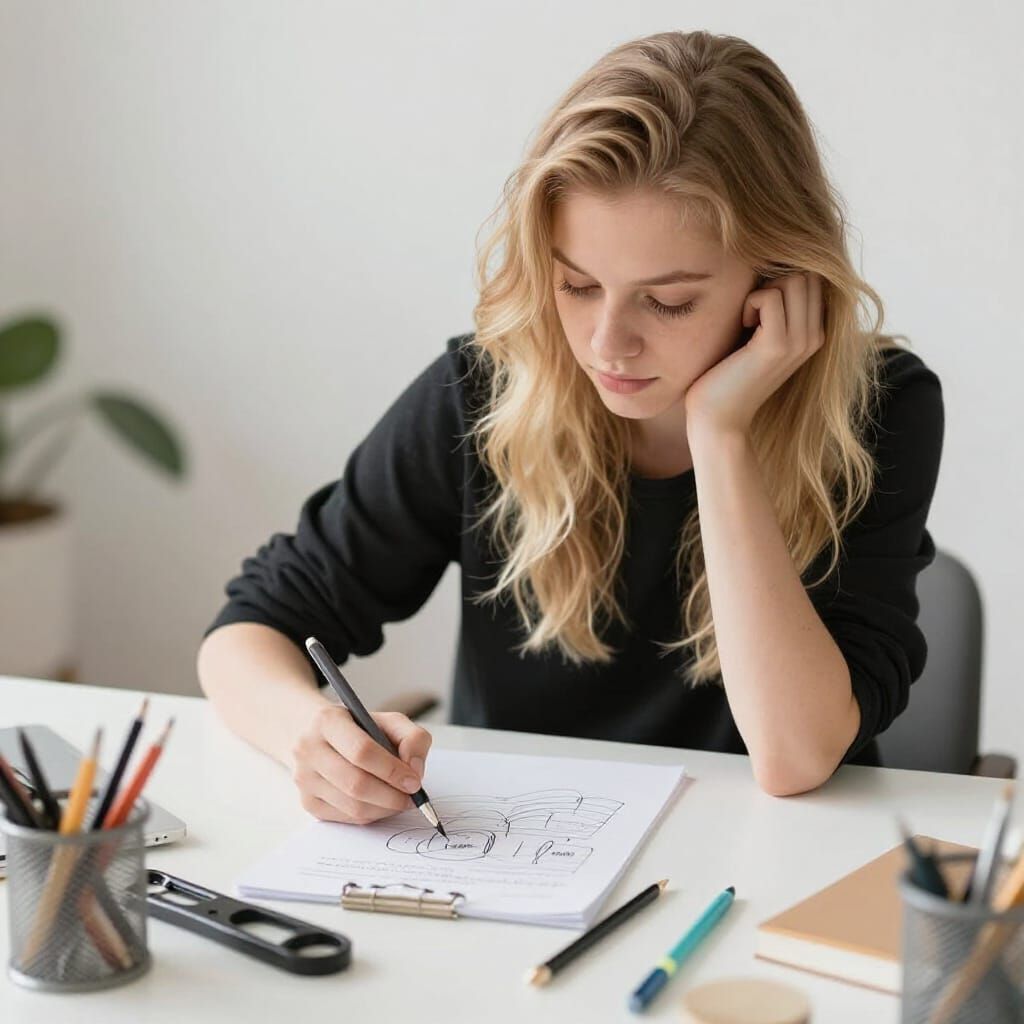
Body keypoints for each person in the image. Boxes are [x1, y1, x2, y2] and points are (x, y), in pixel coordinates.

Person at [197, 30, 943, 821]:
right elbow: (250, 630)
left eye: (669, 299)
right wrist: (308, 735)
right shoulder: (485, 389)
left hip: (771, 866)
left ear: (778, 280)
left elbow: (795, 758)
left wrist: (720, 435)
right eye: (577, 284)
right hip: (518, 861)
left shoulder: (879, 409)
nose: (606, 343)